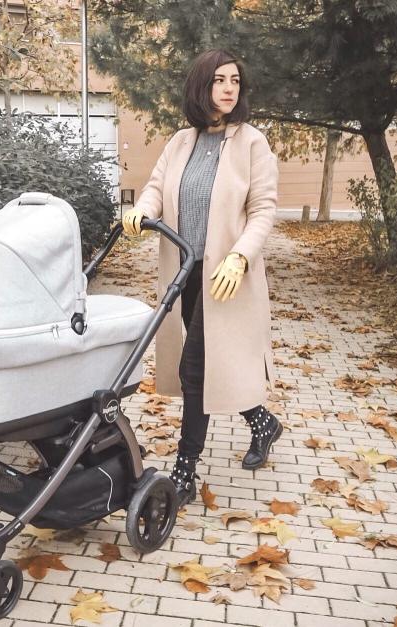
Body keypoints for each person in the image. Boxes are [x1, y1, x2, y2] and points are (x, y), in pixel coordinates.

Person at [122, 49, 281, 506]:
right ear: (201, 86)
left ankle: (184, 472)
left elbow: (263, 209)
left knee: (194, 369)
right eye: (219, 80)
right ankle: (263, 423)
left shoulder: (252, 143)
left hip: (226, 278)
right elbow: (156, 187)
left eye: (235, 80)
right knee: (213, 364)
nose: (229, 88)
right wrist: (141, 210)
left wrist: (239, 257)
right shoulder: (180, 142)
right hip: (185, 273)